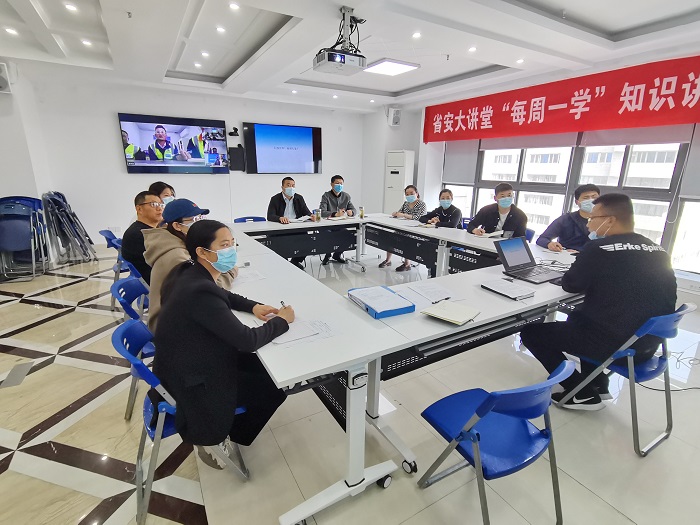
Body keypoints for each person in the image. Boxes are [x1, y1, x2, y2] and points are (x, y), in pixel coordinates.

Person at [152, 220, 295, 458]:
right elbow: (247, 340)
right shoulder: (199, 290)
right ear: (202, 251)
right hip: (193, 380)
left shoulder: (186, 270)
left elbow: (222, 294)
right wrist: (282, 321)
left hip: (181, 361)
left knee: (263, 369)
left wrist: (253, 306)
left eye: (232, 243)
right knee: (274, 389)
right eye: (224, 245)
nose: (231, 250)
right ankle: (230, 434)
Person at [520, 193, 677, 410]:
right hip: (648, 344)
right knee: (581, 317)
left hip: (619, 347)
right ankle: (599, 383)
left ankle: (581, 392)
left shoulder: (599, 248)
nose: (588, 224)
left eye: (592, 218)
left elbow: (571, 284)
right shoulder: (656, 249)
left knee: (532, 333)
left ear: (609, 220)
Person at [144, 198, 238, 331]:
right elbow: (211, 288)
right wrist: (230, 270)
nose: (199, 222)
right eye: (194, 219)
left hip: (180, 312)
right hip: (170, 327)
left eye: (200, 217)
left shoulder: (176, 241)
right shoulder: (176, 255)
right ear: (177, 226)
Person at [266, 177, 316, 270]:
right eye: (288, 185)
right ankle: (283, 263)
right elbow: (270, 216)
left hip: (296, 227)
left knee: (309, 242)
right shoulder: (275, 199)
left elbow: (306, 212)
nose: (291, 188)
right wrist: (280, 218)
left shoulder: (299, 198)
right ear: (282, 187)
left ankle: (295, 261)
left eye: (293, 185)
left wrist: (311, 216)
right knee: (280, 244)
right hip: (281, 229)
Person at [536, 184, 600, 252]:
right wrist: (549, 244)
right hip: (567, 255)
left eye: (594, 197)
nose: (591, 200)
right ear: (577, 202)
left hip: (594, 256)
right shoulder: (566, 219)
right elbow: (542, 239)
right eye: (586, 198)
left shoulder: (605, 221)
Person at [380, 185, 427, 271]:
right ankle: (388, 260)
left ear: (417, 193)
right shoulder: (406, 203)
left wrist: (405, 215)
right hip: (403, 228)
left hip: (415, 231)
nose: (409, 196)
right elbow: (400, 212)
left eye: (411, 193)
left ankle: (407, 264)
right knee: (391, 238)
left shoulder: (422, 204)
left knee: (407, 240)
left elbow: (421, 218)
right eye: (407, 194)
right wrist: (396, 214)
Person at [121, 191, 164, 285]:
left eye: (161, 204)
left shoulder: (144, 230)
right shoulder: (140, 234)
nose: (159, 208)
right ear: (139, 209)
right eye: (153, 204)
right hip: (156, 283)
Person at [319, 175, 356, 265]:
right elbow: (322, 212)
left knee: (351, 237)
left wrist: (351, 212)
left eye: (341, 184)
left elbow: (354, 210)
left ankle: (337, 254)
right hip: (326, 225)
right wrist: (335, 214)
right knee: (328, 236)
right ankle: (328, 255)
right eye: (337, 183)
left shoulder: (346, 196)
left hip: (340, 225)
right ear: (331, 184)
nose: (339, 185)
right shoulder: (326, 196)